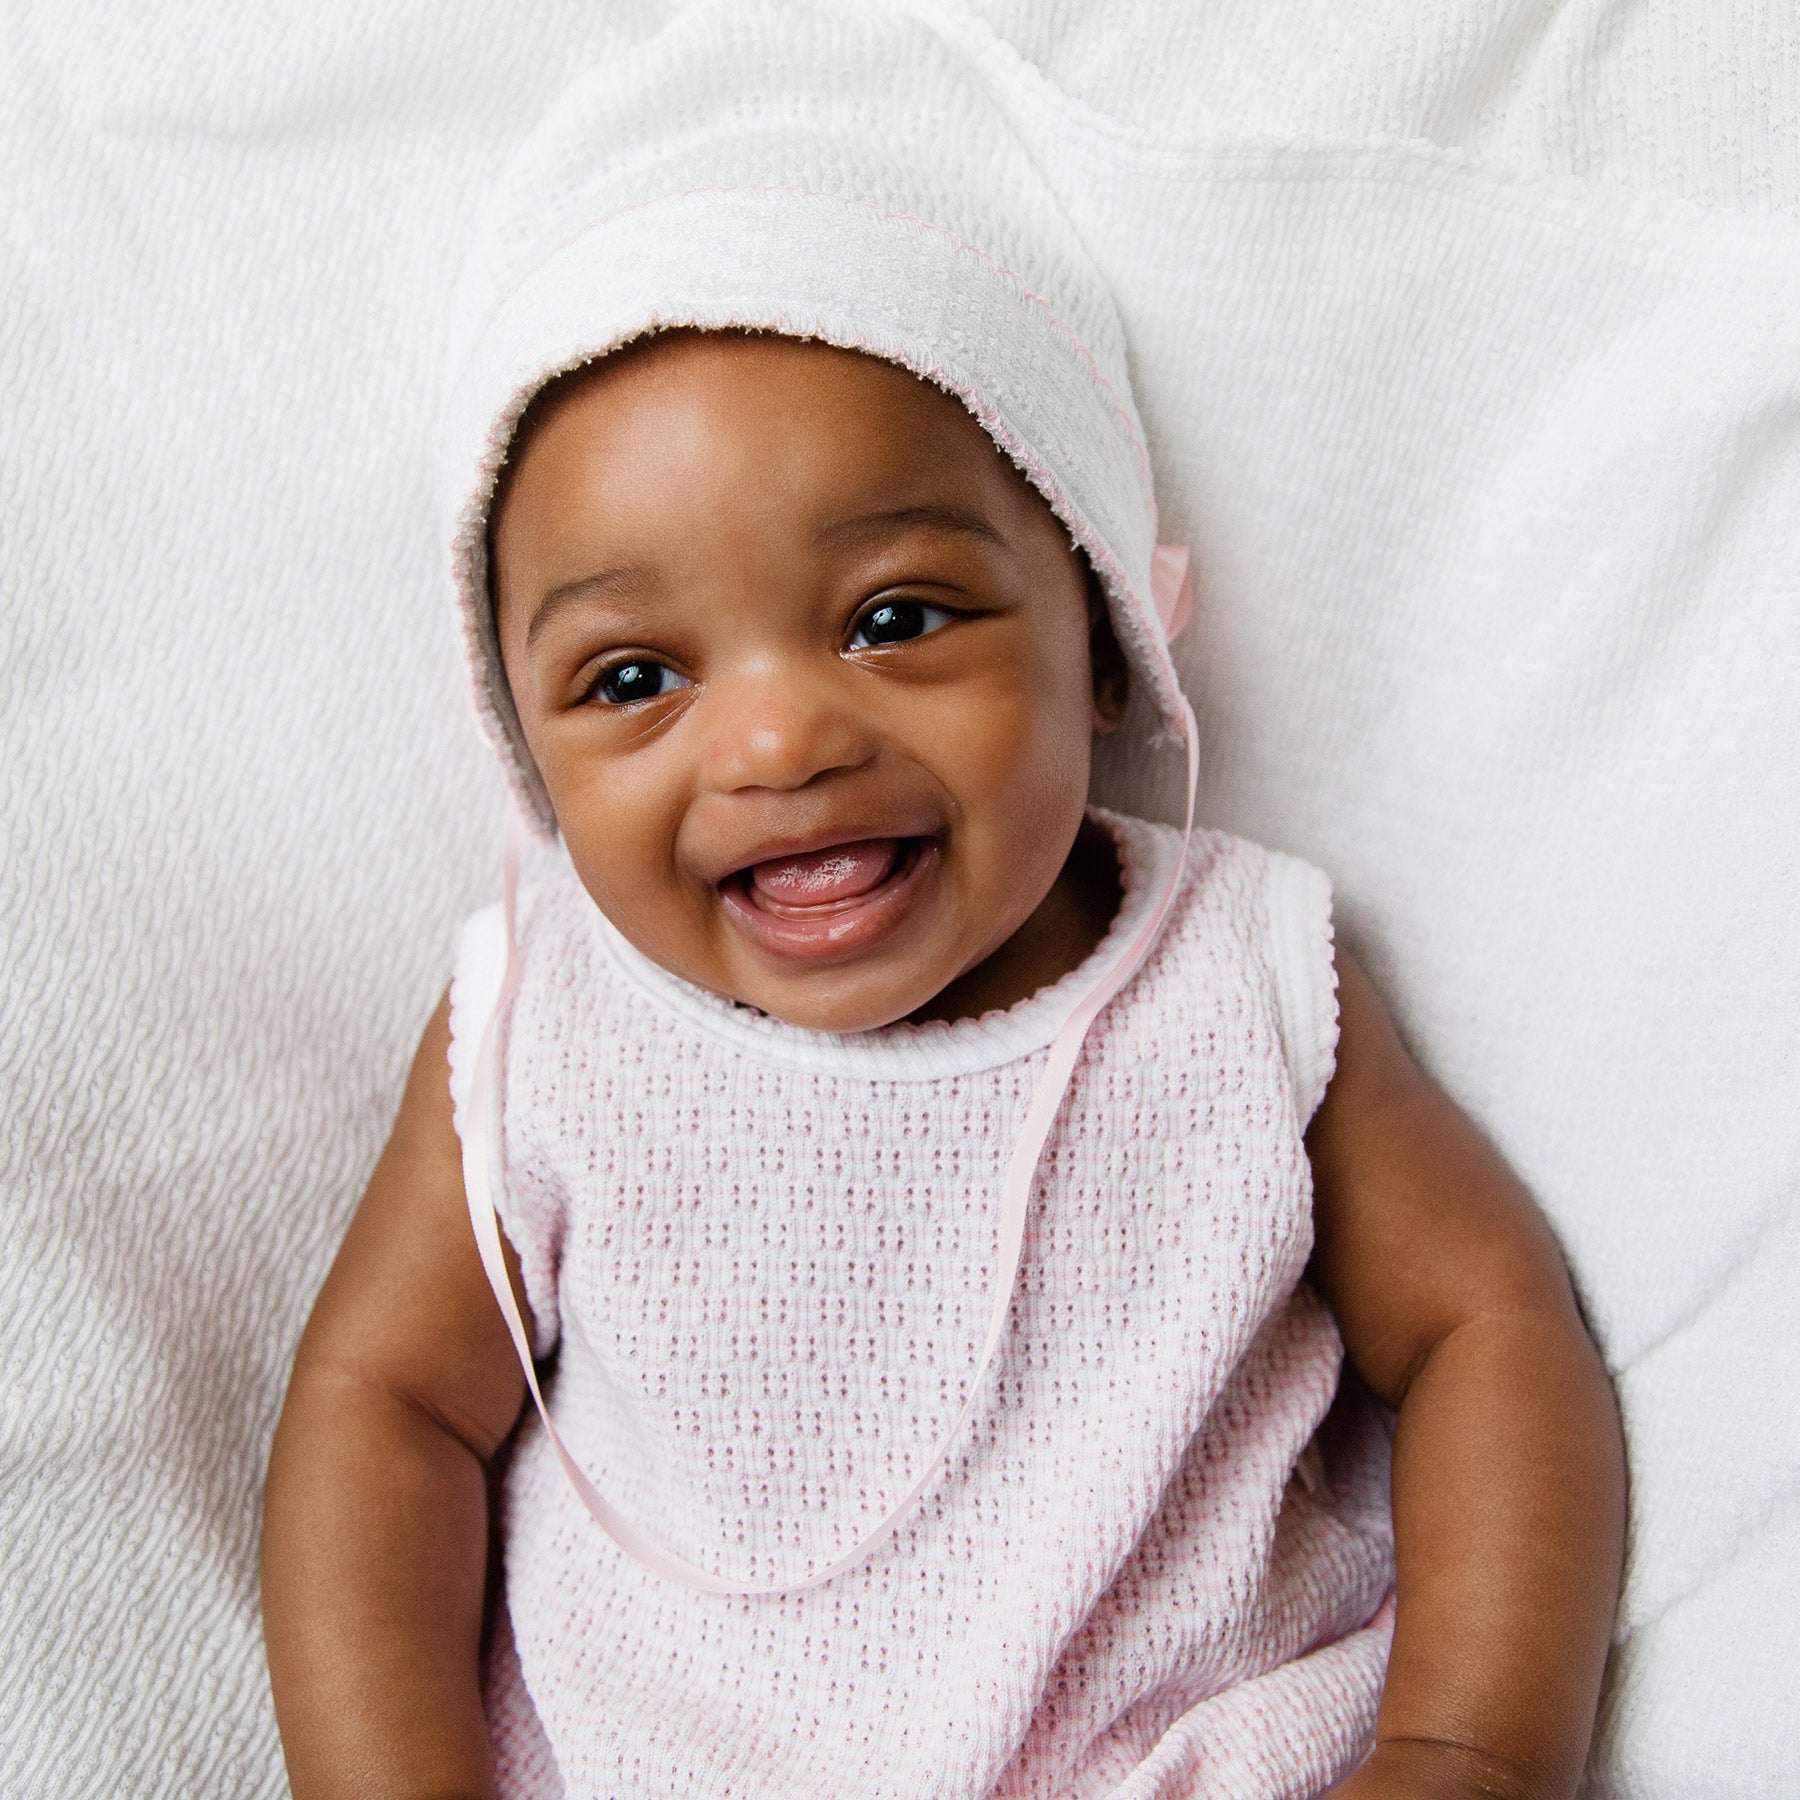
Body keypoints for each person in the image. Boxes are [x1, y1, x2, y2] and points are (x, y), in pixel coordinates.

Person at [261, 11, 1625, 1798]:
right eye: (630, 678)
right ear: (522, 750)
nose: (775, 737)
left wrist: (1466, 1740)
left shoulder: (1240, 982)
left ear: (1103, 633)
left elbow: (1487, 1333)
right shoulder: (548, 1019)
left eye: (896, 618)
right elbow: (385, 1414)